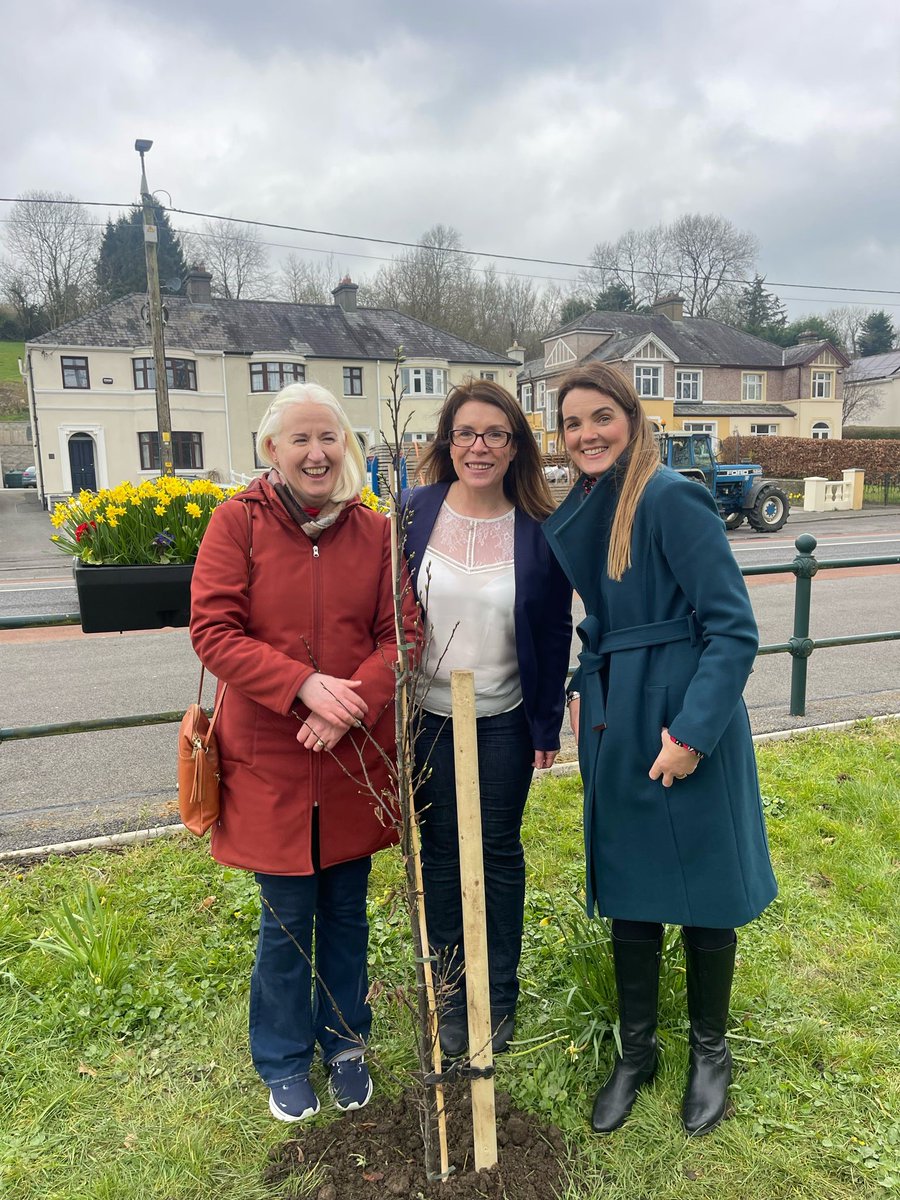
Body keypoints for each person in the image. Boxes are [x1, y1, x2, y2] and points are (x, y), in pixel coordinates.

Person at [542, 363, 777, 1137]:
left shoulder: (671, 497)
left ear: (632, 418)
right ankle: (635, 1051)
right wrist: (586, 691)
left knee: (706, 884)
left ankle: (711, 1051)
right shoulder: (589, 503)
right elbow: (600, 618)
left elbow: (732, 628)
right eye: (573, 423)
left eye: (600, 416)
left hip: (680, 712)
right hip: (618, 712)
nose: (586, 434)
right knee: (633, 882)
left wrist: (691, 734)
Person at [190, 382, 417, 1124]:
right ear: (272, 451)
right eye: (301, 440)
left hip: (352, 757)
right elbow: (215, 633)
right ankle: (283, 1058)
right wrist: (302, 688)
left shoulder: (374, 531)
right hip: (271, 760)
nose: (317, 453)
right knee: (287, 919)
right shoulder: (237, 525)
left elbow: (401, 635)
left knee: (347, 912)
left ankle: (345, 1043)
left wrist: (346, 703)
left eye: (330, 438)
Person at [403, 378, 572, 1058]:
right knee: (442, 855)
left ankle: (497, 996)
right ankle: (450, 996)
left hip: (503, 717)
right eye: (466, 433)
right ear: (448, 441)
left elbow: (555, 628)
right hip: (425, 719)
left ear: (514, 446)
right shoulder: (413, 514)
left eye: (495, 434)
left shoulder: (538, 530)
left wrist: (546, 723)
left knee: (497, 854)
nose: (479, 446)